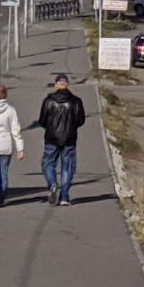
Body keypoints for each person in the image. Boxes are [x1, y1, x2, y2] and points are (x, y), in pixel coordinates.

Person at [38, 73, 86, 206]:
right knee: (68, 167)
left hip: (51, 139)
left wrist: (51, 127)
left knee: (48, 164)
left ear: (56, 85)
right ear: (67, 85)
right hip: (70, 139)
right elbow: (81, 121)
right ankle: (64, 197)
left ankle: (53, 184)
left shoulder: (48, 101)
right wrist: (71, 127)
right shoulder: (76, 101)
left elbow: (42, 121)